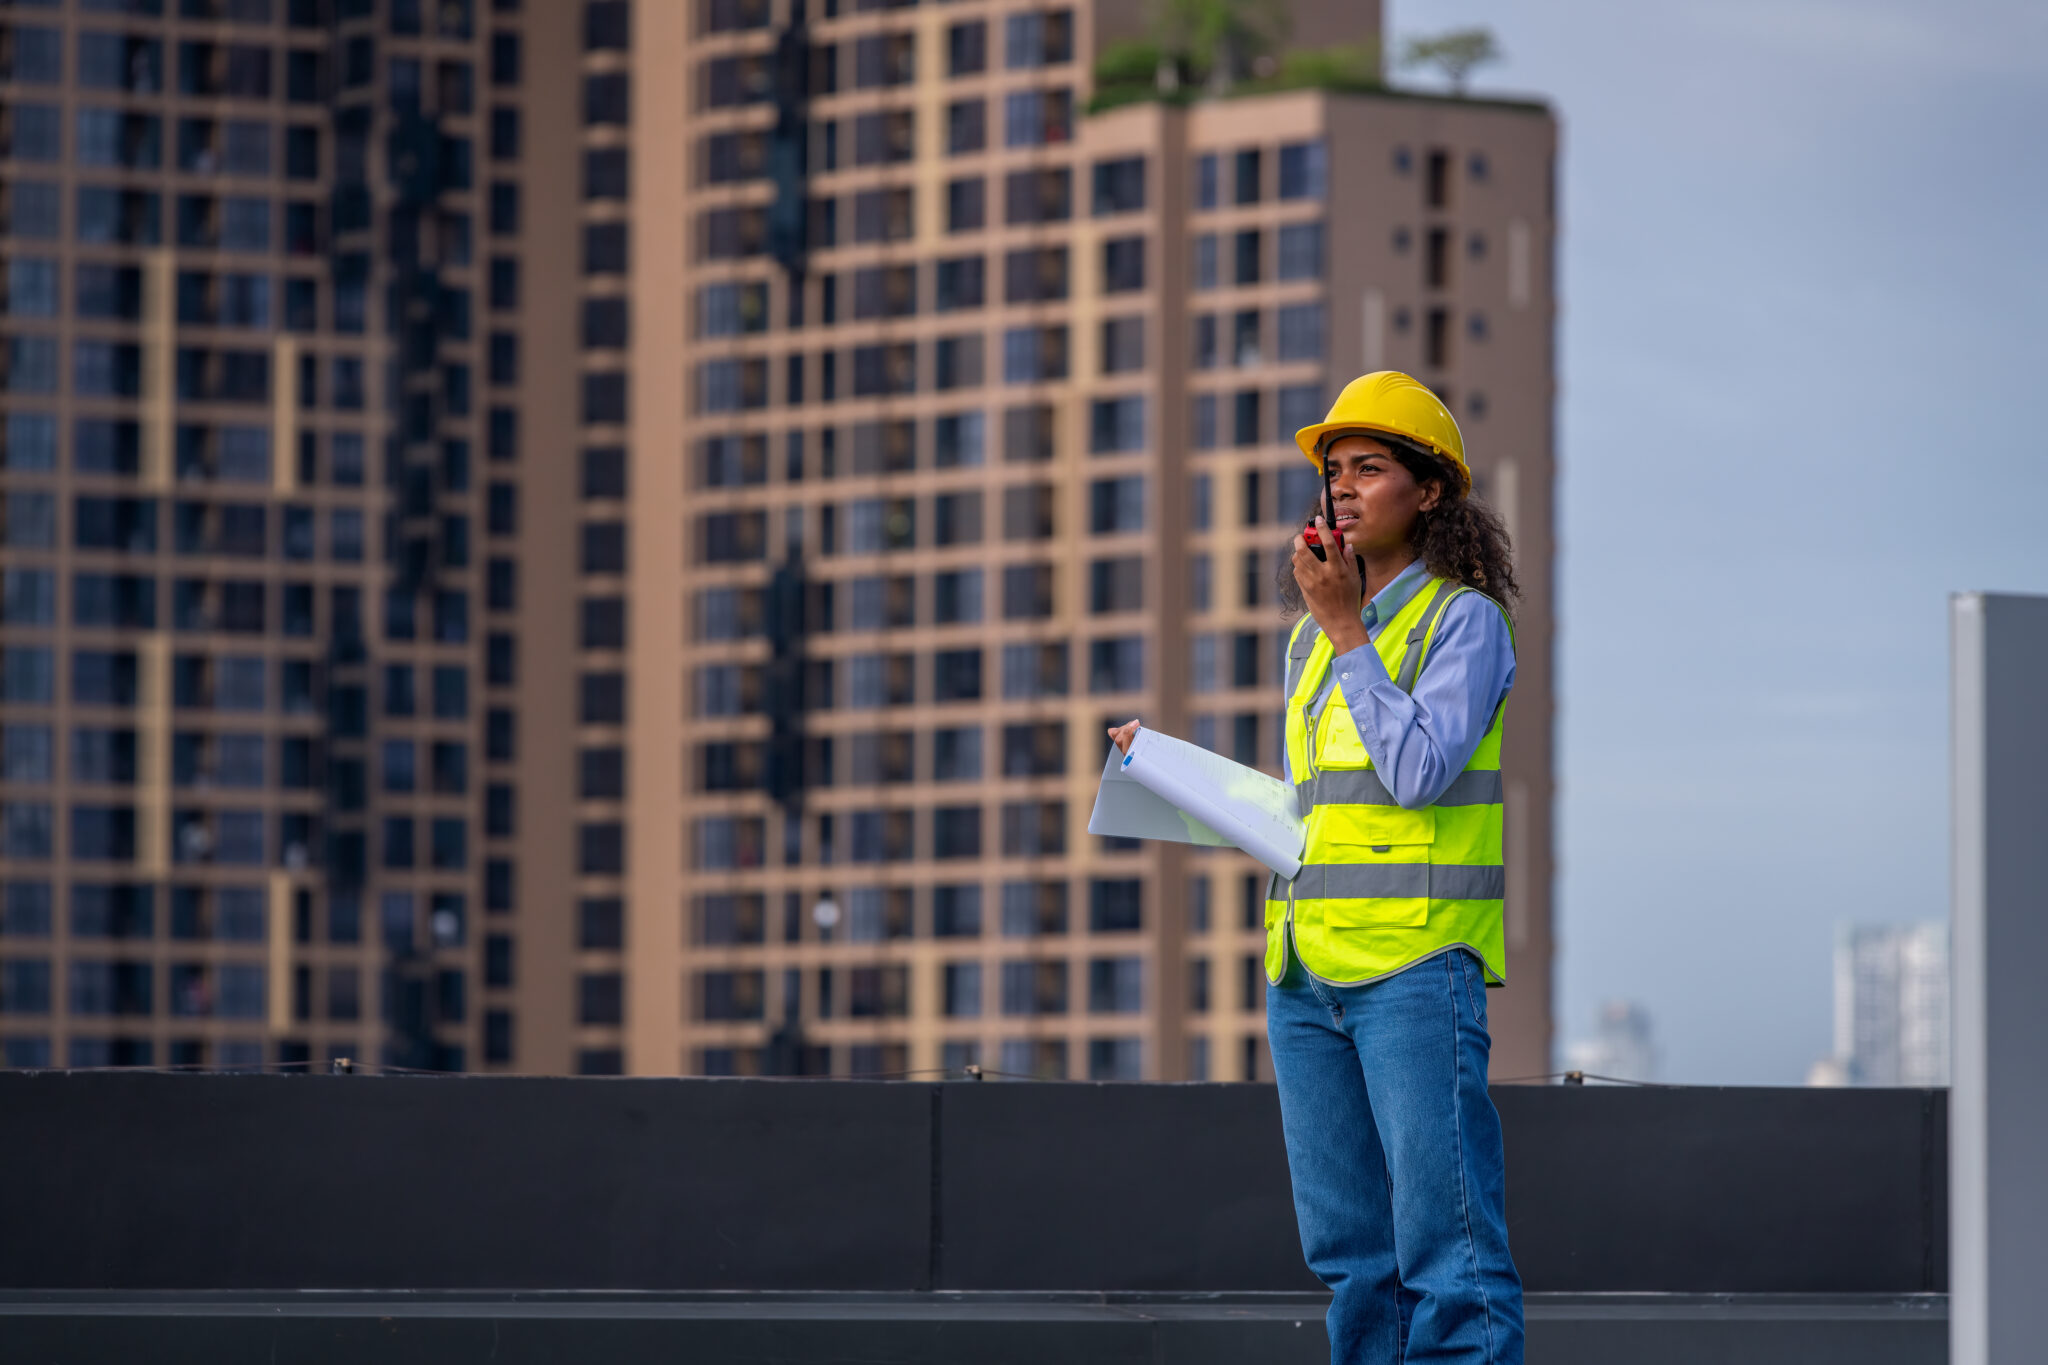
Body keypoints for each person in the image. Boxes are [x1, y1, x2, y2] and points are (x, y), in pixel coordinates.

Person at [1108, 371, 1524, 1365]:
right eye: (1332, 472)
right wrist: (1170, 775)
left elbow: (1418, 773)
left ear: (1428, 493)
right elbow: (1322, 808)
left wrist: (1346, 628)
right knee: (1351, 1262)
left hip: (1414, 971)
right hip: (1303, 974)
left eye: (1366, 469)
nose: (1339, 488)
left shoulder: (1460, 622)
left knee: (1449, 1261)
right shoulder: (1308, 644)